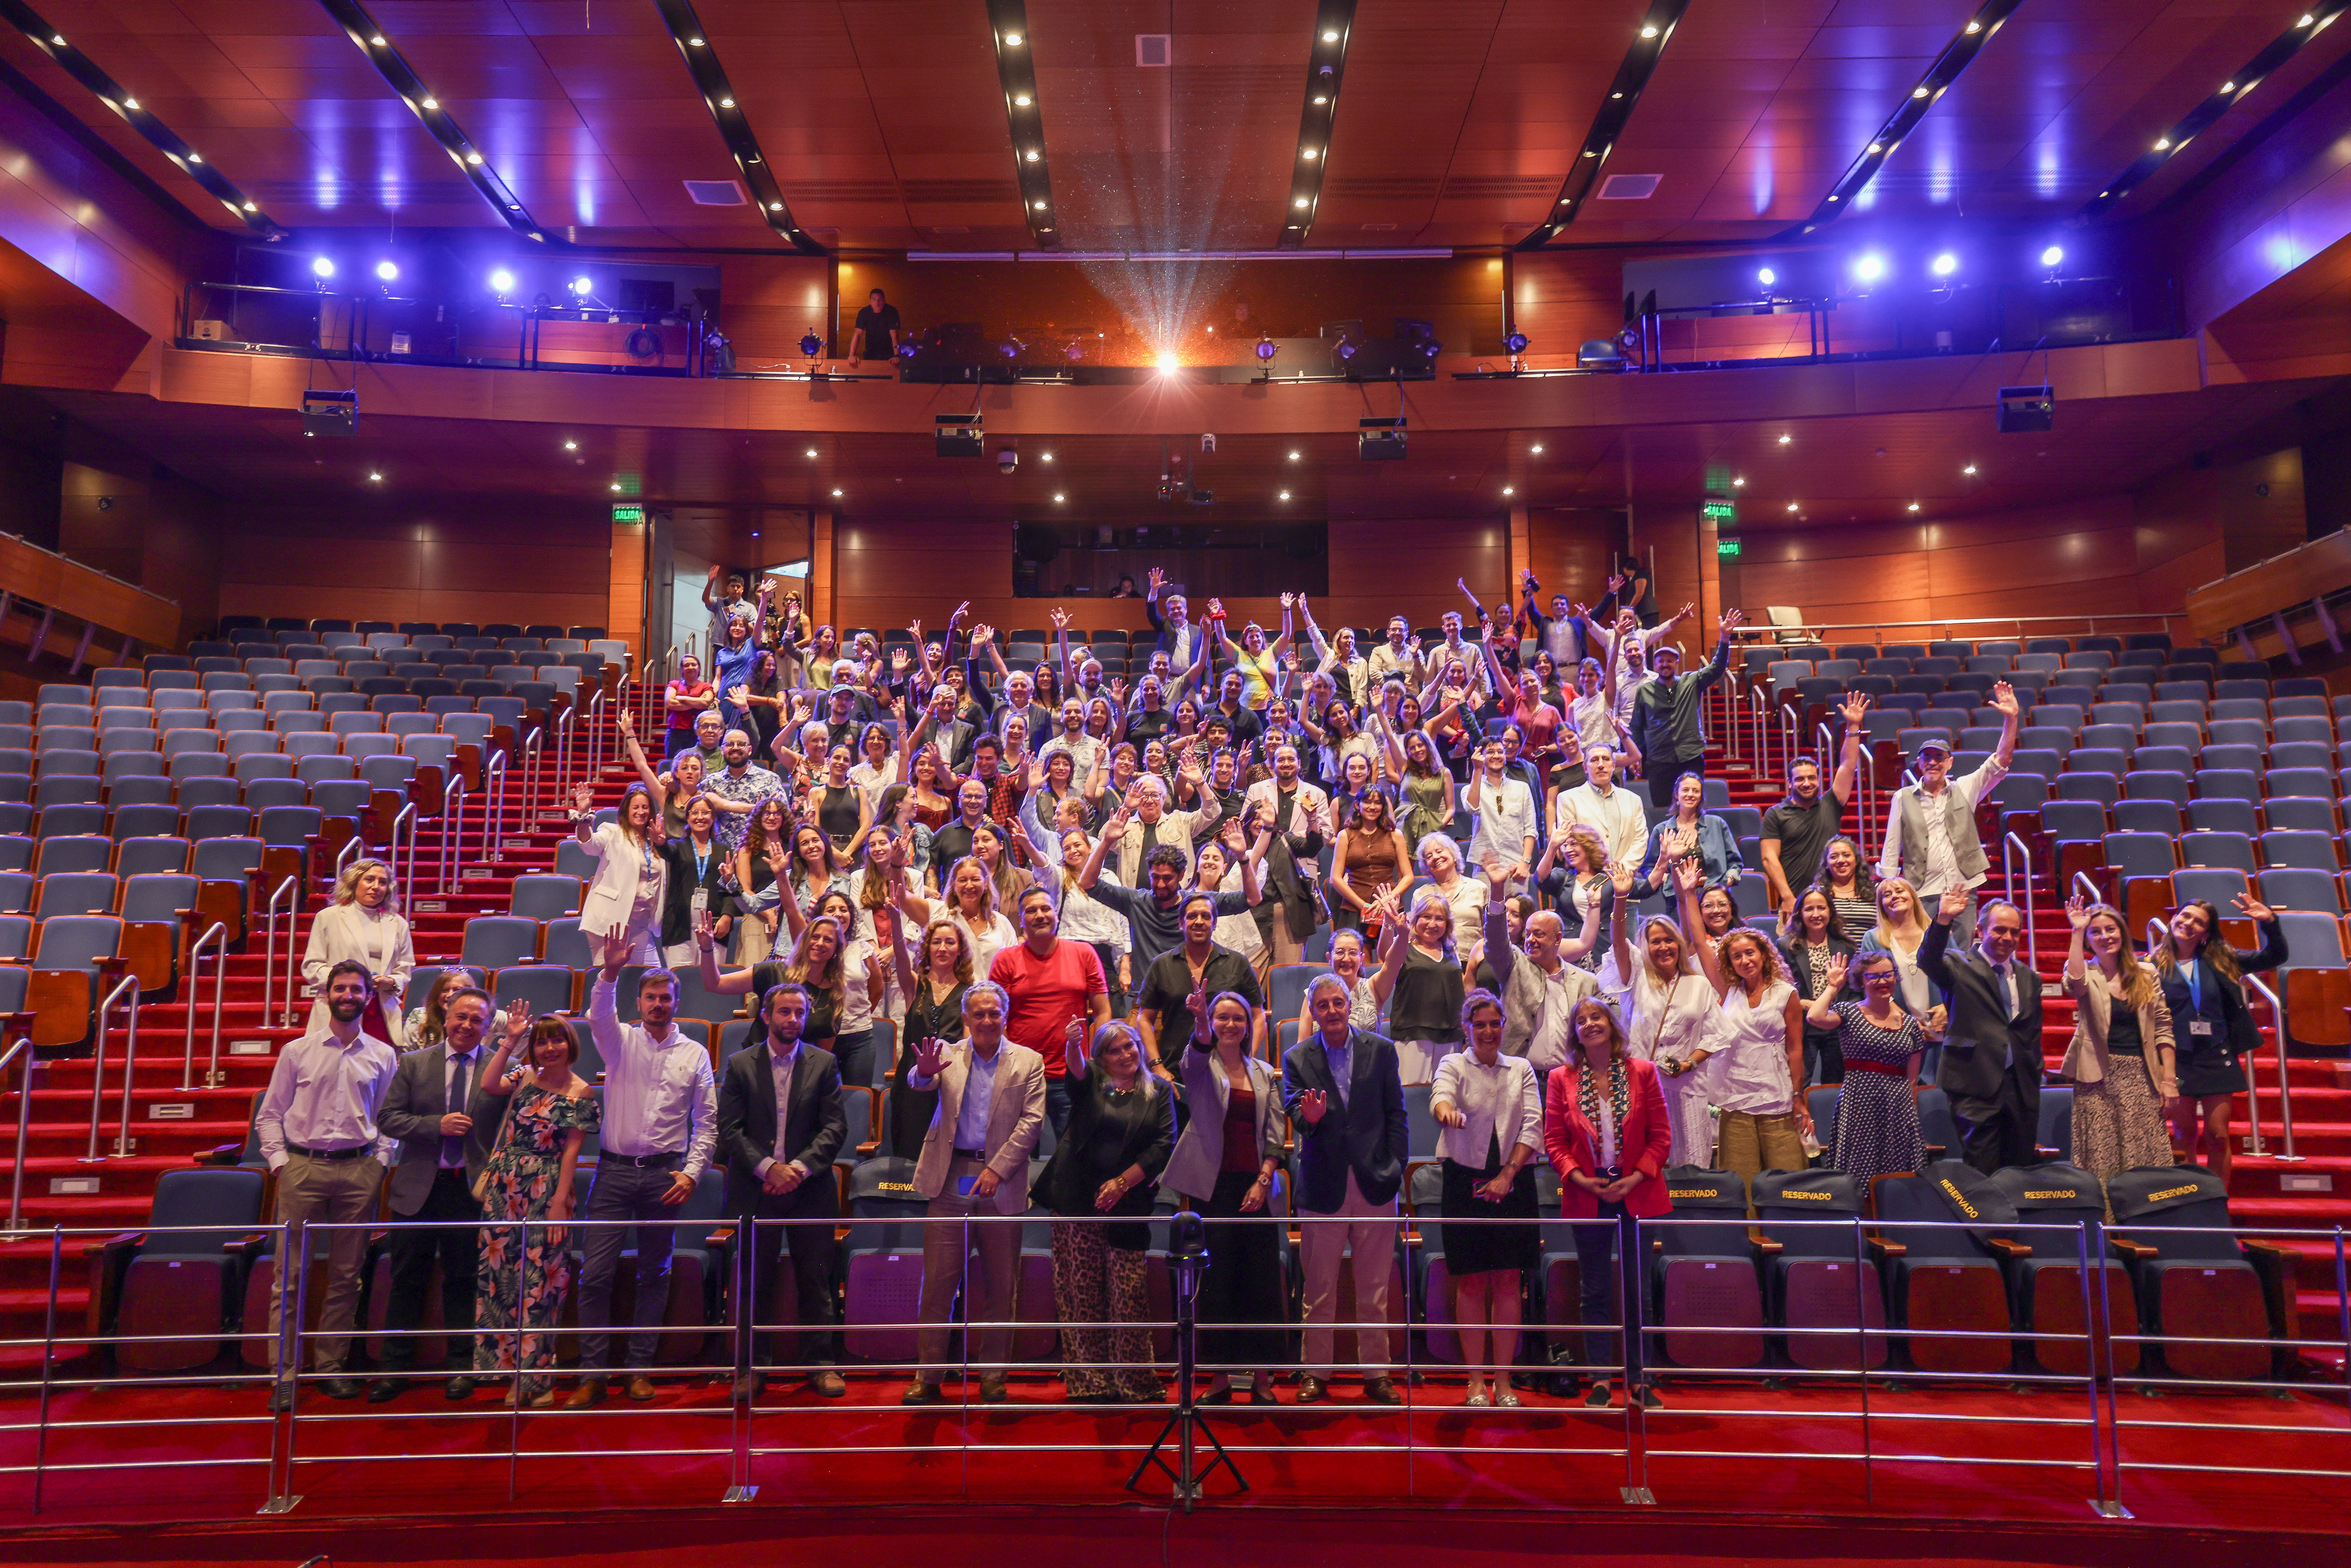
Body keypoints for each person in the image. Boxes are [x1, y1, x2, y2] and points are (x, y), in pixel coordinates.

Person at [573, 939, 720, 1407]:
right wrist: (610, 974)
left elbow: (708, 1122)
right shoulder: (619, 1042)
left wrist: (693, 1173)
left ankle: (639, 1370)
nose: (658, 1005)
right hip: (613, 1175)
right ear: (639, 1003)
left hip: (664, 1178)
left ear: (678, 1003)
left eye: (666, 998)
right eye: (651, 998)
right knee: (595, 1276)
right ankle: (593, 1375)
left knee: (654, 1276)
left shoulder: (695, 1054)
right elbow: (597, 1016)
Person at [255, 960, 400, 1409]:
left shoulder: (384, 1055)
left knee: (346, 1275)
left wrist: (380, 1162)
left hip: (359, 1172)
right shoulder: (297, 1052)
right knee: (290, 1277)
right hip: (303, 1168)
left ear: (367, 997)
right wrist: (281, 1163)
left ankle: (331, 1367)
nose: (349, 995)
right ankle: (284, 1373)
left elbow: (388, 1120)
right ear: (327, 995)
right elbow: (270, 1114)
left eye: (357, 989)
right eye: (341, 988)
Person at [903, 982, 1047, 1405]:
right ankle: (928, 1376)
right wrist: (925, 1071)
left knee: (1002, 1287)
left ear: (1006, 1015)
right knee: (938, 1284)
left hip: (1001, 1181)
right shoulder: (947, 1053)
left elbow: (1033, 1123)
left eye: (994, 1013)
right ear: (967, 1018)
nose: (986, 1020)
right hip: (951, 1177)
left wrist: (997, 1170)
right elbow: (920, 1083)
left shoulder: (1029, 1061)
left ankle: (992, 1376)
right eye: (978, 1013)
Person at [369, 986, 503, 1404]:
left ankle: (462, 1369)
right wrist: (435, 1126)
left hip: (470, 1190)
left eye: (477, 1020)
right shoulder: (412, 1064)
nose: (467, 1025)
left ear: (487, 1027)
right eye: (461, 1017)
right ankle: (394, 1370)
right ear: (445, 1017)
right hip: (418, 1190)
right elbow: (388, 1118)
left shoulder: (502, 1069)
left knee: (465, 1282)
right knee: (407, 1279)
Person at [716, 981, 849, 1401]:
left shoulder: (825, 1063)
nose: (793, 1020)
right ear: (766, 1016)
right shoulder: (739, 1065)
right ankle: (751, 1367)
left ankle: (821, 1365)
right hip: (755, 1189)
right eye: (785, 1012)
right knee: (755, 1282)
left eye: (800, 1013)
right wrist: (768, 1168)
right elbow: (729, 1130)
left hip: (809, 1189)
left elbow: (835, 1128)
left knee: (816, 1280)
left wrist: (798, 1168)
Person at [1284, 973, 1408, 1405]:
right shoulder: (1297, 1058)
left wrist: (1396, 1168)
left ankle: (1377, 1374)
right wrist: (1312, 1118)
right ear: (1313, 1011)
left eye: (1339, 1003)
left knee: (1374, 1288)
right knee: (1319, 1288)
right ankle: (1316, 1373)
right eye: (1324, 1005)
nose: (1333, 1011)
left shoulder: (1382, 1049)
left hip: (1376, 1184)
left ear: (1349, 1004)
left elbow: (1397, 1113)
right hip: (1322, 1187)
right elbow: (1298, 1121)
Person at [1035, 1018, 1174, 1404]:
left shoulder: (1158, 1089)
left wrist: (1122, 1183)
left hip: (1127, 1203)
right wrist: (1072, 1045)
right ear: (1101, 1057)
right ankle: (1090, 1384)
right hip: (1077, 1200)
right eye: (1116, 1049)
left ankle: (1134, 1383)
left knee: (1127, 1295)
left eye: (1130, 1045)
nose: (1127, 1053)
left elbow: (1164, 1145)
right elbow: (1075, 1076)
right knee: (1080, 1293)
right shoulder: (1091, 1081)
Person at [1544, 995, 1672, 1410]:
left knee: (1639, 1292)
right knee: (1595, 1289)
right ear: (1575, 1034)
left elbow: (1661, 1137)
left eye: (1597, 1017)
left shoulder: (1644, 1072)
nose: (1590, 1024)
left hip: (1637, 1192)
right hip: (1588, 1194)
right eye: (1581, 1021)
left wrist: (1635, 1177)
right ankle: (1601, 1379)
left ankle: (1641, 1380)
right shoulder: (1561, 1079)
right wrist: (1581, 1179)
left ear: (1612, 1025)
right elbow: (1554, 1142)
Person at [1163, 985, 1287, 1404]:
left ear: (1248, 1025)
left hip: (1255, 1188)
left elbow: (1274, 1134)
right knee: (1216, 1283)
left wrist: (1264, 1177)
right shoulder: (1199, 1068)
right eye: (1223, 1018)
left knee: (1261, 1282)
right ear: (1212, 1024)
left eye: (1239, 1018)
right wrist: (1198, 1019)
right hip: (1212, 1190)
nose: (1231, 1024)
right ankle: (1218, 1379)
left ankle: (1263, 1380)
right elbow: (1195, 1052)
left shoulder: (1265, 1072)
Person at [470, 1009, 598, 1408]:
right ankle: (511, 1372)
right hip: (504, 1187)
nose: (549, 1048)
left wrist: (561, 1200)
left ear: (570, 1043)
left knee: (541, 1284)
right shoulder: (523, 1076)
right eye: (541, 1041)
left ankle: (537, 1377)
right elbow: (489, 1083)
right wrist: (510, 1041)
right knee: (500, 1278)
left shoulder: (582, 1092)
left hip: (546, 1189)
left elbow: (573, 1151)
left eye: (556, 1040)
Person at [1429, 990, 1541, 1407]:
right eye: (1481, 1025)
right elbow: (1440, 1096)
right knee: (1473, 1282)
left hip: (1515, 1180)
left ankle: (1505, 1382)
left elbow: (1533, 1125)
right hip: (1464, 1181)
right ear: (1467, 1029)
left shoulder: (1522, 1068)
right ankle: (1476, 1382)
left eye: (1496, 1024)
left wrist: (1507, 1174)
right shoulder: (1454, 1063)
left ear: (1505, 1026)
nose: (1489, 1031)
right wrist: (1446, 1112)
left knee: (1510, 1280)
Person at [2153, 894, 2286, 1185]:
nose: (2188, 923)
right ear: (2172, 919)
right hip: (2176, 1058)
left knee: (2218, 1134)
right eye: (2184, 916)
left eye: (2198, 922)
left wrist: (2269, 923)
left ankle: (2216, 1203)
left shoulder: (2221, 959)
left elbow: (2274, 956)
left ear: (2206, 933)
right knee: (2183, 1136)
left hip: (2216, 1055)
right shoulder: (2150, 965)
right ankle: (2186, 1201)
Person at [1687, 862, 1808, 1178]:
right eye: (1736, 956)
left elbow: (1795, 1049)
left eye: (1749, 953)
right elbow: (1700, 943)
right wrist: (1687, 893)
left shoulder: (1785, 994)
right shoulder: (1728, 991)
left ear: (1764, 954)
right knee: (1741, 1183)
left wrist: (1798, 1096)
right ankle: (1750, 1232)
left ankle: (1784, 1230)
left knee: (1786, 1180)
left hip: (1776, 1097)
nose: (1744, 960)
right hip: (1734, 1098)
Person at [1876, 683, 2021, 943]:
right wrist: (1889, 885)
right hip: (1922, 891)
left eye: (1939, 757)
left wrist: (2011, 720)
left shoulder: (1965, 788)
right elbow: (1891, 845)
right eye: (1927, 758)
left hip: (1963, 887)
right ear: (1919, 763)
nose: (1933, 762)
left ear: (1949, 762)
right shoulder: (1903, 797)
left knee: (1962, 955)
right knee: (1926, 954)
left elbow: (2002, 760)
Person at [1919, 886, 2043, 1175]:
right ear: (1979, 930)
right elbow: (1928, 959)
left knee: (2020, 1171)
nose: (2008, 939)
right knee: (1983, 1169)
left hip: (2021, 1087)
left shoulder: (2029, 977)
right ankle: (1984, 1222)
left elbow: (2031, 1031)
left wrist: (2035, 1072)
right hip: (1975, 1084)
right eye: (2000, 930)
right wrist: (1944, 920)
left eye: (2015, 933)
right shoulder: (1958, 964)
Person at [1603, 861, 1719, 1166]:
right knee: (1646, 1165)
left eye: (1669, 940)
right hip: (1642, 1086)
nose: (1664, 947)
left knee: (1692, 1166)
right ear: (1645, 946)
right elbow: (1617, 941)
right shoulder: (1636, 976)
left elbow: (1715, 1034)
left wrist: (1688, 1063)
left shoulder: (1699, 984)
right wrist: (1620, 897)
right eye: (1656, 941)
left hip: (1688, 1088)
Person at [2059, 896, 2179, 1182]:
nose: (2105, 937)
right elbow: (2075, 984)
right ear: (2088, 940)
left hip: (2141, 1075)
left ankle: (2143, 1222)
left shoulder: (2147, 974)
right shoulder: (2086, 971)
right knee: (2101, 1156)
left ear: (2122, 933)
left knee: (2145, 1154)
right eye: (2096, 932)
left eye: (2111, 930)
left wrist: (2169, 1080)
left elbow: (2163, 1027)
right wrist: (2077, 931)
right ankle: (2106, 1224)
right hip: (2096, 1077)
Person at [990, 885, 1112, 1134]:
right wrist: (1006, 1064)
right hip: (1021, 1075)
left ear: (1057, 914)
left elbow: (1102, 1013)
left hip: (1071, 1073)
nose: (1040, 915)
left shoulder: (1084, 953)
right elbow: (995, 1018)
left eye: (1046, 909)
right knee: (1015, 1158)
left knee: (1073, 1155)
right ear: (1022, 921)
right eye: (1031, 911)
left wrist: (1095, 1062)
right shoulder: (1005, 959)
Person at [1804, 950, 1926, 1184]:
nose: (1882, 981)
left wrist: (1910, 1117)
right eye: (1873, 977)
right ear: (1861, 981)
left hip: (1897, 1107)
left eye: (1888, 975)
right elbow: (1815, 1017)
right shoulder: (1849, 1012)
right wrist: (1832, 988)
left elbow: (1912, 1080)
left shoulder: (1910, 1024)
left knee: (1898, 1173)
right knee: (1859, 1172)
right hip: (1860, 1103)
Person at [1480, 870, 1601, 1098]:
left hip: (1573, 1080)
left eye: (1538, 935)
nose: (1530, 940)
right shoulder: (1514, 965)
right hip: (1524, 1080)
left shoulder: (1587, 982)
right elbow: (1496, 941)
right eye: (1527, 935)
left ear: (1557, 939)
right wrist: (1497, 891)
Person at [1133, 889, 1265, 1081]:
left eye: (1206, 916)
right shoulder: (1162, 964)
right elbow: (1144, 1019)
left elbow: (1258, 1016)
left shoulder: (1237, 963)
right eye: (1192, 916)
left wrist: (1247, 1061)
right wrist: (1157, 1066)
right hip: (1174, 1074)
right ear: (1181, 923)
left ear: (1215, 923)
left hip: (1227, 1073)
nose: (1199, 921)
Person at [1758, 693, 1867, 910]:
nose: (1807, 783)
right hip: (1795, 902)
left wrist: (1853, 727)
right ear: (1790, 783)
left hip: (1834, 902)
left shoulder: (1832, 803)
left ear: (1819, 780)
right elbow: (1769, 858)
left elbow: (1847, 765)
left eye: (1812, 778)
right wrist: (1788, 897)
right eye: (1800, 779)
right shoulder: (1776, 813)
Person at [1626, 609, 1742, 808]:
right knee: (1663, 810)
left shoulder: (1691, 681)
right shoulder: (1645, 691)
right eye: (1661, 661)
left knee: (1693, 808)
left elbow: (1717, 668)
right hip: (1659, 761)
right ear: (1655, 664)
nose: (1665, 664)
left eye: (1670, 660)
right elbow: (1637, 727)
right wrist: (1635, 757)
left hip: (1690, 757)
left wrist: (1725, 638)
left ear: (1677, 663)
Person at [300, 859, 414, 1044]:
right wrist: (348, 981)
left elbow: (406, 968)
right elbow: (312, 967)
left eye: (383, 882)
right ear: (355, 882)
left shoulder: (398, 923)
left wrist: (392, 982)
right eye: (369, 880)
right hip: (339, 1006)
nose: (376, 887)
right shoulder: (329, 917)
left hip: (379, 1010)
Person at [1241, 742, 1329, 974]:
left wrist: (1308, 823)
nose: (1287, 764)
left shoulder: (1314, 796)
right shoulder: (1240, 852)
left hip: (1289, 905)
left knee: (1287, 974)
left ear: (1300, 764)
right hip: (1253, 913)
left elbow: (1315, 844)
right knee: (1251, 978)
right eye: (1281, 759)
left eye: (1291, 759)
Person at [1368, 887, 1465, 1083]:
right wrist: (1389, 921)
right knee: (1413, 1097)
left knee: (1448, 1097)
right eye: (1426, 917)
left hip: (1449, 1035)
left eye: (1440, 919)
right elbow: (1384, 954)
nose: (1433, 924)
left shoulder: (1452, 950)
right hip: (1413, 1035)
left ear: (1448, 924)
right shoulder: (1405, 946)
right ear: (1416, 919)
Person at [571, 780, 665, 964]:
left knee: (650, 977)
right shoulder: (613, 832)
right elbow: (590, 845)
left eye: (645, 807)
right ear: (626, 811)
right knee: (608, 979)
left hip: (641, 924)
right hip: (609, 921)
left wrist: (661, 843)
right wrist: (583, 815)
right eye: (636, 807)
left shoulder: (655, 839)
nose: (641, 812)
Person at [1780, 885, 1860, 1088]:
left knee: (1835, 1085)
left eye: (1821, 908)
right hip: (1801, 1023)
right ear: (1800, 913)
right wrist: (1802, 1003)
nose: (1816, 915)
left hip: (1834, 1023)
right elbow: (1778, 987)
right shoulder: (1786, 946)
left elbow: (1856, 992)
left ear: (1831, 912)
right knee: (1799, 1083)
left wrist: (1841, 1013)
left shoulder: (1847, 946)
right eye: (1809, 909)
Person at [1635, 770, 1744, 893]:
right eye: (1686, 790)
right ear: (1677, 794)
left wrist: (1728, 880)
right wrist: (1668, 879)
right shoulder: (1662, 830)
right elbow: (1648, 867)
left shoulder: (1717, 824)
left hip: (1715, 893)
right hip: (1677, 896)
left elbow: (1735, 862)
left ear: (1701, 796)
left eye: (1696, 791)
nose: (1691, 795)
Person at [1326, 789, 1410, 939]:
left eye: (1378, 803)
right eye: (1368, 802)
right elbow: (1335, 879)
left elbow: (1408, 876)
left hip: (1389, 906)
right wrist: (1363, 906)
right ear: (1358, 805)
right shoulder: (1345, 835)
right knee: (1358, 958)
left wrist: (1387, 900)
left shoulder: (1395, 835)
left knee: (1388, 957)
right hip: (1354, 908)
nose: (1373, 807)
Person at [1552, 741, 1647, 873]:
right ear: (1585, 768)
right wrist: (1598, 874)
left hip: (1627, 878)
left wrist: (1620, 871)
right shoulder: (1568, 799)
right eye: (1595, 760)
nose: (1601, 765)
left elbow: (1640, 840)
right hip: (1589, 879)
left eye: (1606, 759)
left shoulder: (1633, 800)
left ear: (1614, 766)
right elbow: (1569, 842)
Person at [1463, 735, 1537, 891]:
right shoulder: (1469, 789)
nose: (1496, 756)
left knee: (1517, 914)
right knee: (1486, 915)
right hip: (1485, 869)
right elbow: (1472, 808)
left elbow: (1530, 830)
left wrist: (1525, 863)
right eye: (1490, 752)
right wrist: (1477, 770)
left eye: (1500, 752)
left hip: (1515, 867)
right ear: (1481, 756)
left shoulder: (1522, 788)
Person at [1813, 836, 1879, 946]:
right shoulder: (1819, 894)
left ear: (1856, 860)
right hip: (1834, 958)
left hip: (1871, 958)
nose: (1841, 861)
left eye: (1847, 855)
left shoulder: (1876, 890)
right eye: (1834, 857)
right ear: (1827, 865)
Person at [849, 287, 900, 365]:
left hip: (890, 353)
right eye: (874, 300)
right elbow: (858, 334)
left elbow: (895, 337)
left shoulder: (892, 312)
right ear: (870, 301)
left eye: (880, 300)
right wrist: (852, 355)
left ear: (884, 300)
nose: (877, 303)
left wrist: (897, 356)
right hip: (870, 352)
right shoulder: (864, 313)